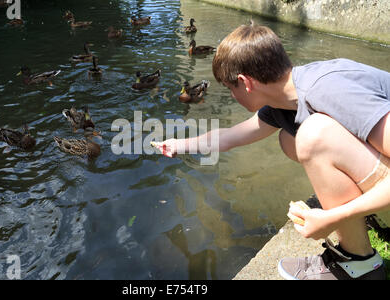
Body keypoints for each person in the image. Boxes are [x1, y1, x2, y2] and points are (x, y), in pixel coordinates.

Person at [153, 22, 390, 280]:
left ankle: (361, 265)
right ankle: (367, 221)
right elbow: (231, 136)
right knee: (290, 140)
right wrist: (178, 145)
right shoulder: (284, 99)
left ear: (245, 83)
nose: (232, 96)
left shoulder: (327, 91)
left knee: (313, 135)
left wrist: (333, 217)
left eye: (230, 88)